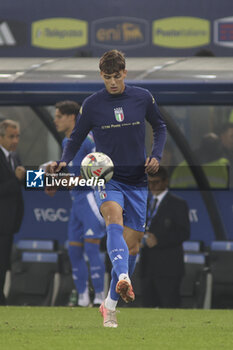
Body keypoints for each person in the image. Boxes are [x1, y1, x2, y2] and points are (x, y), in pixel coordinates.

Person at [51, 50, 167, 327]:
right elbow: (76, 138)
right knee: (113, 220)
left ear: (125, 73)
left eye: (117, 76)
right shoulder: (92, 105)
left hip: (137, 179)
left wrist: (157, 155)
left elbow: (160, 126)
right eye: (107, 77)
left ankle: (109, 304)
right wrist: (63, 161)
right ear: (101, 75)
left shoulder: (142, 97)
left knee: (133, 246)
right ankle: (123, 278)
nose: (112, 82)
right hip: (108, 177)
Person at [47, 101, 106, 307]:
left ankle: (99, 297)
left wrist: (62, 181)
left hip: (91, 200)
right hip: (76, 203)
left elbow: (100, 173)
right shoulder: (66, 143)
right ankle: (82, 298)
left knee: (91, 250)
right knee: (73, 250)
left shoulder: (89, 140)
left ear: (72, 117)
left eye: (59, 116)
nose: (55, 120)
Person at [140, 167, 190, 308]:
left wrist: (159, 241)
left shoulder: (178, 204)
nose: (152, 186)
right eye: (149, 183)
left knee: (169, 308)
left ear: (165, 182)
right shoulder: (145, 204)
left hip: (169, 268)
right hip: (147, 266)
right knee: (146, 310)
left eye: (156, 182)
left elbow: (184, 233)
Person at [0, 119, 25, 305]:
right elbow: (11, 184)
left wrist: (48, 180)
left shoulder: (15, 157)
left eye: (17, 136)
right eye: (11, 136)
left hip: (9, 222)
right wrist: (16, 179)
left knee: (4, 261)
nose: (15, 140)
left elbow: (21, 184)